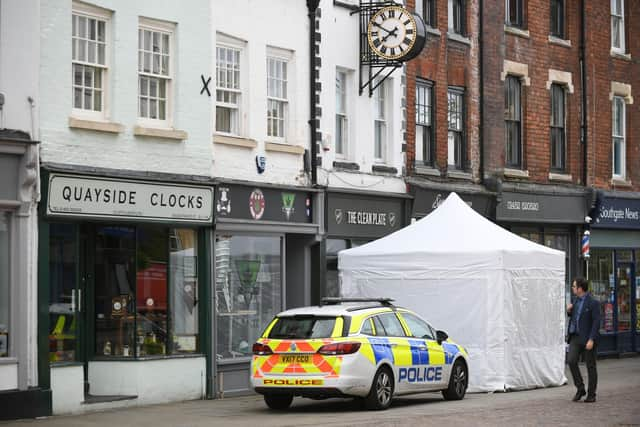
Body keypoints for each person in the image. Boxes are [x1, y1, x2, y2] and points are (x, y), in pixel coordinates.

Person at [566, 277, 600, 403]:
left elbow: (596, 322)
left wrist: (591, 339)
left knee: (590, 366)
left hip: (587, 339)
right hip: (575, 336)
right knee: (571, 361)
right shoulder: (575, 301)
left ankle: (591, 394)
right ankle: (580, 388)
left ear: (580, 288)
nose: (573, 288)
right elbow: (576, 317)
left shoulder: (593, 303)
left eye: (574, 286)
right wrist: (569, 311)